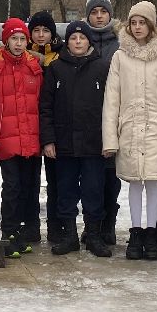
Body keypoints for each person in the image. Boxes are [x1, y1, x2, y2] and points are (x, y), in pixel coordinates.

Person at [102, 1, 157, 262]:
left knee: (153, 180)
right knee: (134, 182)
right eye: (133, 22)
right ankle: (136, 232)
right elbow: (111, 99)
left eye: (143, 22)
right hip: (129, 129)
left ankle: (152, 233)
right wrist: (110, 138)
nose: (138, 27)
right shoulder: (119, 56)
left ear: (151, 25)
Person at [0, 17, 45, 257]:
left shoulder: (34, 68)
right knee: (12, 188)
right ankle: (9, 233)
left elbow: (42, 105)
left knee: (29, 187)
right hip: (6, 140)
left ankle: (23, 231)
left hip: (32, 139)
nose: (18, 44)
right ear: (6, 40)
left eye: (22, 39)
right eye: (14, 39)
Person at [39, 21, 107, 256]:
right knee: (66, 191)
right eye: (73, 38)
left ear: (89, 41)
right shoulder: (56, 69)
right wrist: (48, 140)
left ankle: (94, 235)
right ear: (67, 42)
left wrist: (109, 141)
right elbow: (45, 107)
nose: (78, 42)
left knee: (93, 190)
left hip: (93, 144)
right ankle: (69, 236)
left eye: (82, 38)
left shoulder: (102, 67)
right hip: (64, 143)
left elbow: (112, 107)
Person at [86, 0, 123, 248]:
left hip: (115, 114)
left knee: (111, 175)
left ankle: (109, 223)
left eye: (103, 12)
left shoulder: (121, 41)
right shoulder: (79, 39)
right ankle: (93, 225)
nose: (99, 17)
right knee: (91, 177)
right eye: (94, 12)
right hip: (88, 116)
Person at [26, 10, 61, 246]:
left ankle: (56, 227)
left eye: (45, 31)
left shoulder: (61, 57)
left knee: (56, 181)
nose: (40, 35)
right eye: (36, 30)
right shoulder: (21, 54)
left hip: (53, 126)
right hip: (27, 125)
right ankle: (29, 227)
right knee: (29, 181)